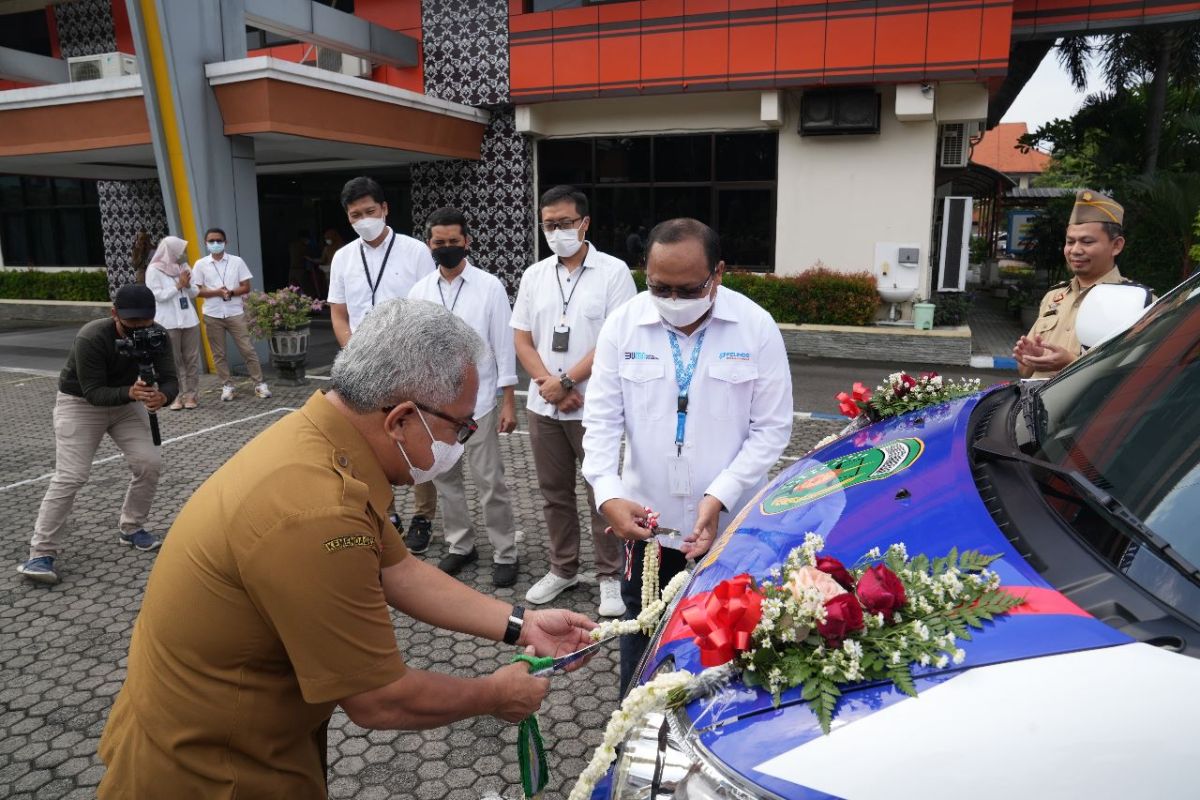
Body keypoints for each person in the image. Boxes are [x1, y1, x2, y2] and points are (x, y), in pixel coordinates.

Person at [96, 299, 596, 799]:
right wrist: (494, 694)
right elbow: (378, 700)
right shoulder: (318, 509)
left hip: (228, 742)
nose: (461, 443)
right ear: (401, 419)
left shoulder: (319, 441)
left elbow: (398, 572)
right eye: (460, 427)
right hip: (214, 774)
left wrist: (522, 625)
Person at [582, 218, 793, 690]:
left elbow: (772, 429)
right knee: (643, 627)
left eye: (688, 289)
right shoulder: (624, 325)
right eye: (659, 287)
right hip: (647, 522)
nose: (673, 301)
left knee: (729, 637)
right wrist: (608, 495)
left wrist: (720, 495)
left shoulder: (754, 328)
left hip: (730, 524)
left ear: (718, 273)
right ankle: (632, 734)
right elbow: (600, 423)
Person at [512, 185, 638, 618]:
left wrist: (566, 381)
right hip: (544, 405)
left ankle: (609, 575)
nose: (557, 231)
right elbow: (522, 337)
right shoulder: (535, 275)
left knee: (601, 493)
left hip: (594, 406)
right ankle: (562, 568)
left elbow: (615, 339)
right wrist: (549, 383)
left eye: (565, 223)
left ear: (585, 223)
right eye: (549, 225)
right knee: (554, 493)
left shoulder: (614, 272)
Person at [16, 284, 178, 585]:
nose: (139, 331)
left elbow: (170, 379)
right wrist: (131, 392)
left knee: (149, 463)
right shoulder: (92, 336)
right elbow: (93, 392)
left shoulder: (158, 334)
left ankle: (131, 529)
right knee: (71, 475)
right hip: (80, 402)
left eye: (146, 323)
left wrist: (163, 397)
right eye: (132, 325)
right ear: (114, 314)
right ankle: (40, 553)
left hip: (127, 402)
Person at [408, 207, 520, 587]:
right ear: (429, 245)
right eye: (439, 243)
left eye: (453, 242)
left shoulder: (489, 286)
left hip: (481, 403)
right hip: (435, 406)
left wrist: (509, 401)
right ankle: (460, 546)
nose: (446, 248)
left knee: (490, 481)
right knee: (446, 479)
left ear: (467, 242)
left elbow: (503, 347)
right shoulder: (419, 291)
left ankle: (505, 551)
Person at [327, 176, 438, 541]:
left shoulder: (414, 251)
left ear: (385, 209)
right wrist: (355, 352)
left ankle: (423, 516)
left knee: (417, 438)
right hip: (364, 367)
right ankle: (386, 514)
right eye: (355, 215)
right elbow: (340, 314)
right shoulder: (343, 257)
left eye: (369, 211)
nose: (363, 220)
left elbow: (428, 309)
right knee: (369, 442)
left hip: (409, 362)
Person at [1013, 189, 1138, 379]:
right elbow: (1024, 372)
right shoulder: (1054, 297)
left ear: (1116, 245)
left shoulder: (1136, 301)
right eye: (1070, 242)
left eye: (1087, 242)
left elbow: (1133, 376)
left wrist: (1070, 363)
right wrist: (1032, 357)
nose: (1075, 250)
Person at [192, 227, 272, 401]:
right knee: (218, 353)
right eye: (211, 241)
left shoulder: (237, 261)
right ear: (206, 243)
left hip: (235, 311)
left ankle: (259, 384)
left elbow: (246, 286)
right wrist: (217, 292)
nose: (215, 244)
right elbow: (196, 291)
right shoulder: (200, 264)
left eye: (218, 241)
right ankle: (227, 386)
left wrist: (230, 292)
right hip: (213, 314)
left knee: (247, 349)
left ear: (225, 242)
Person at [143, 236, 201, 410]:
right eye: (179, 250)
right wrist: (178, 286)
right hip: (168, 322)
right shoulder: (154, 269)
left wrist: (188, 285)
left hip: (189, 320)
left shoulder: (183, 267)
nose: (181, 254)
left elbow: (195, 292)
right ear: (169, 251)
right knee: (173, 361)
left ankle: (191, 395)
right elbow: (156, 296)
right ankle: (176, 396)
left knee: (191, 360)